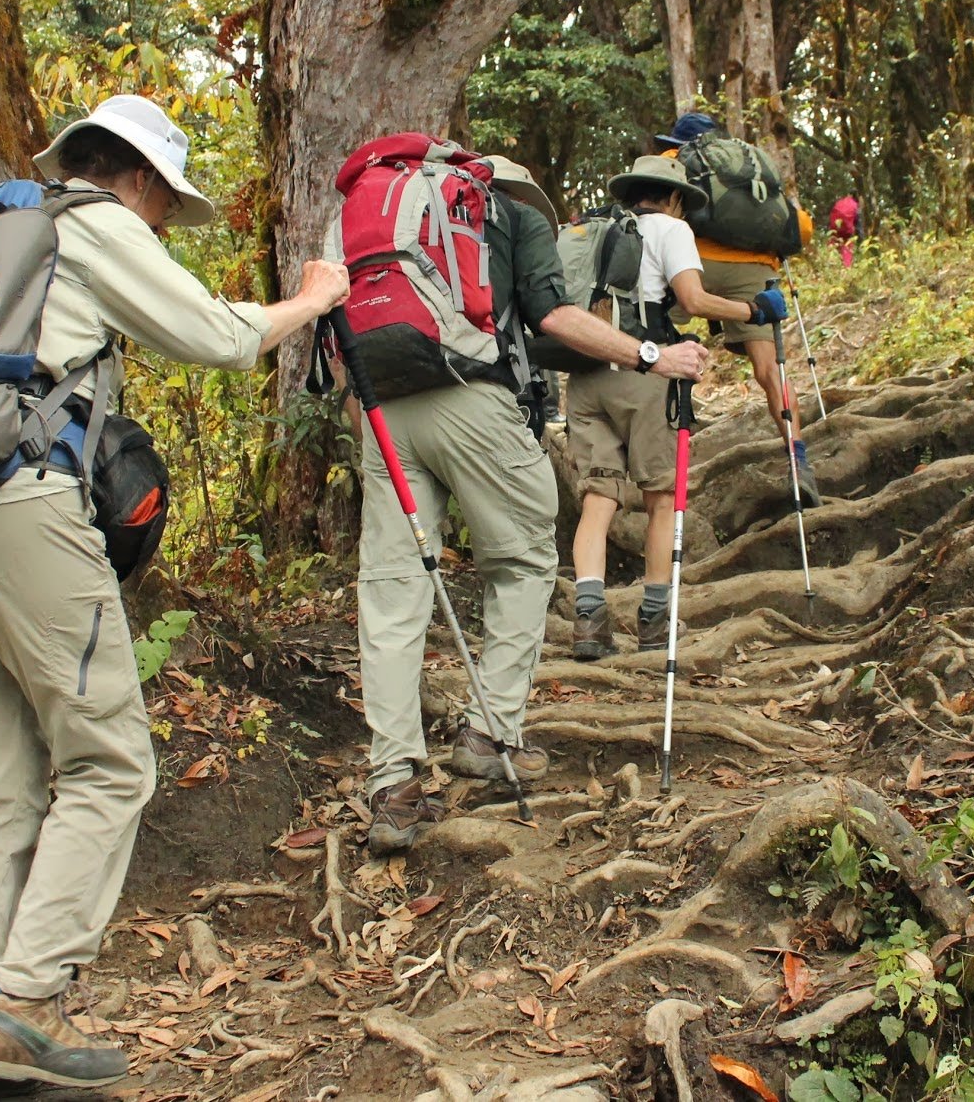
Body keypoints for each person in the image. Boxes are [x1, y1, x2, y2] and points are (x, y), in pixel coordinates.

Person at [0, 95, 350, 1102]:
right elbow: (220, 337)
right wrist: (312, 300)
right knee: (107, 762)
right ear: (141, 178)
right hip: (22, 504)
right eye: (163, 206)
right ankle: (22, 1005)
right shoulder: (91, 222)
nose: (158, 225)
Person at [341, 152, 709, 854]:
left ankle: (392, 784)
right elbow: (556, 316)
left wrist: (368, 423)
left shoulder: (376, 214)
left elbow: (339, 326)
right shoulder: (510, 211)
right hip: (473, 397)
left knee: (390, 592)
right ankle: (492, 731)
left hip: (382, 410)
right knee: (524, 559)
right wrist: (654, 356)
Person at [567, 154, 787, 661]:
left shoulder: (593, 229)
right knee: (661, 498)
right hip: (646, 371)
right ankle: (654, 620)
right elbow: (693, 297)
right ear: (671, 198)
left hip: (584, 374)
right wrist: (752, 309)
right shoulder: (670, 229)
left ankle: (588, 621)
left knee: (598, 499)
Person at [655, 112, 820, 504]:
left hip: (691, 263)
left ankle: (652, 452)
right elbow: (803, 227)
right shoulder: (750, 166)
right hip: (754, 269)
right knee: (769, 370)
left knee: (653, 342)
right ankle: (798, 461)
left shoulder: (673, 160)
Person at [829, 192, 861, 268]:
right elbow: (857, 224)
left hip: (835, 228)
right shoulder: (855, 205)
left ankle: (831, 264)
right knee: (847, 247)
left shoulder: (840, 202)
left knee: (833, 245)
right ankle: (847, 267)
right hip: (847, 230)